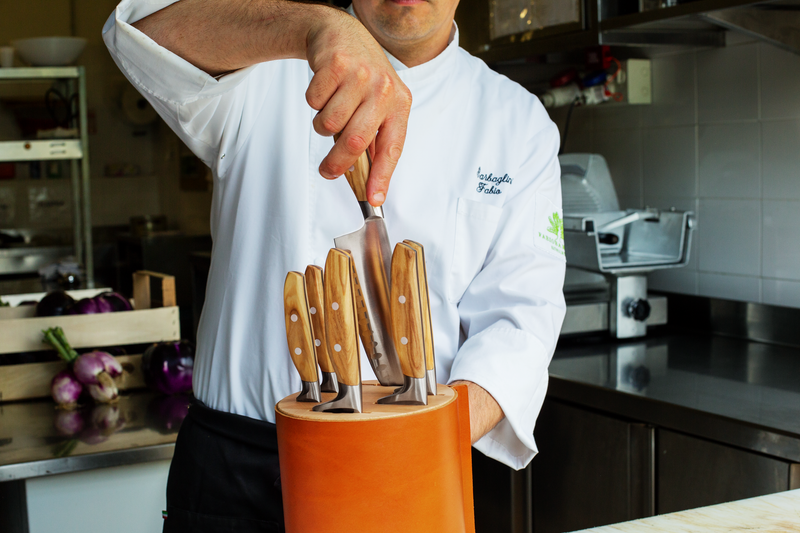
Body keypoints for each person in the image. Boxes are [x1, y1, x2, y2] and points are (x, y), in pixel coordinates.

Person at [103, 0, 566, 530]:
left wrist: (415, 437)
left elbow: (520, 325)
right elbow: (136, 31)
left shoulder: (517, 122)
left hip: (408, 462)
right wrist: (316, 27)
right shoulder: (259, 66)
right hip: (235, 469)